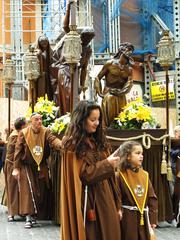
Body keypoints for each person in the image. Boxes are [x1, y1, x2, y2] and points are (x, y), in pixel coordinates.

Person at [61, 100, 121, 240]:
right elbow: (84, 175)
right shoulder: (71, 144)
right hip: (86, 200)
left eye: (98, 119)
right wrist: (107, 164)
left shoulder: (98, 140)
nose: (97, 123)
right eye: (93, 119)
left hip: (105, 195)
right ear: (81, 120)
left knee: (111, 232)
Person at [12, 112, 62, 229]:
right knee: (29, 190)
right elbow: (18, 151)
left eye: (40, 119)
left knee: (40, 191)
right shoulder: (23, 133)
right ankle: (29, 217)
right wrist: (16, 168)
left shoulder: (46, 131)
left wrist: (61, 144)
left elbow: (53, 140)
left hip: (41, 166)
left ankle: (35, 215)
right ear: (31, 121)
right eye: (36, 119)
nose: (39, 121)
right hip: (27, 166)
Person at [50, 0, 95, 114]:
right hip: (65, 70)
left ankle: (73, 118)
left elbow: (84, 67)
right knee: (68, 93)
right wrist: (69, 8)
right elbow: (65, 26)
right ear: (82, 35)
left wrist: (82, 84)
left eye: (89, 39)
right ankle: (66, 116)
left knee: (75, 95)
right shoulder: (74, 38)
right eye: (85, 37)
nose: (86, 40)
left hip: (76, 72)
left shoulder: (88, 50)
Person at [116, 141, 158, 240]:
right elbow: (116, 196)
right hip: (127, 219)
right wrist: (118, 210)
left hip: (143, 217)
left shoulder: (145, 175)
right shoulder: (119, 175)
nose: (141, 156)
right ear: (128, 156)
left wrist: (152, 219)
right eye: (137, 153)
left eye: (142, 153)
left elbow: (152, 198)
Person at [94, 42, 135, 127]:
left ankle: (120, 129)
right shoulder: (110, 63)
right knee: (110, 99)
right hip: (109, 93)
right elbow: (98, 78)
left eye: (131, 51)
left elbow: (130, 82)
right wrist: (99, 92)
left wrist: (121, 92)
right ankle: (108, 128)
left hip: (121, 94)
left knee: (122, 117)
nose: (130, 53)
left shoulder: (129, 69)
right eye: (128, 50)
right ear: (121, 50)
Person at [4, 117, 27, 222]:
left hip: (14, 164)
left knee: (18, 188)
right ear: (22, 127)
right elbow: (14, 154)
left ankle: (18, 211)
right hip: (11, 165)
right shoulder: (15, 136)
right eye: (26, 125)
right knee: (12, 188)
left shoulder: (16, 134)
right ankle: (11, 213)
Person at [35, 35, 54, 101]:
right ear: (39, 43)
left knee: (49, 92)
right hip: (41, 76)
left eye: (46, 42)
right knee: (41, 92)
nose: (44, 44)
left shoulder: (50, 52)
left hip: (49, 75)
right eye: (42, 42)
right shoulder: (38, 52)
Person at [170, 125, 180, 227]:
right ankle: (175, 216)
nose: (175, 134)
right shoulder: (173, 143)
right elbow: (171, 153)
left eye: (176, 132)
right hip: (175, 171)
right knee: (175, 194)